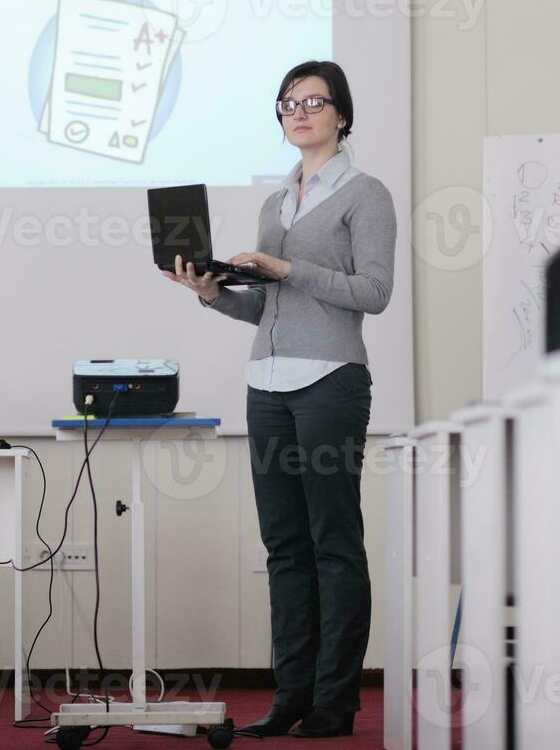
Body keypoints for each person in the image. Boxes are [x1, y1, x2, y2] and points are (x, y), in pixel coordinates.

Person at [163, 60, 397, 739]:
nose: (299, 112)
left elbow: (374, 294)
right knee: (284, 547)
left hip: (330, 382)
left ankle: (335, 702)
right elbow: (269, 306)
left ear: (341, 114)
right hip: (265, 386)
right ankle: (290, 695)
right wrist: (214, 294)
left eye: (314, 102)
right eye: (288, 103)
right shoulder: (275, 202)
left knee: (334, 544)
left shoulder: (366, 195)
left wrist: (289, 266)